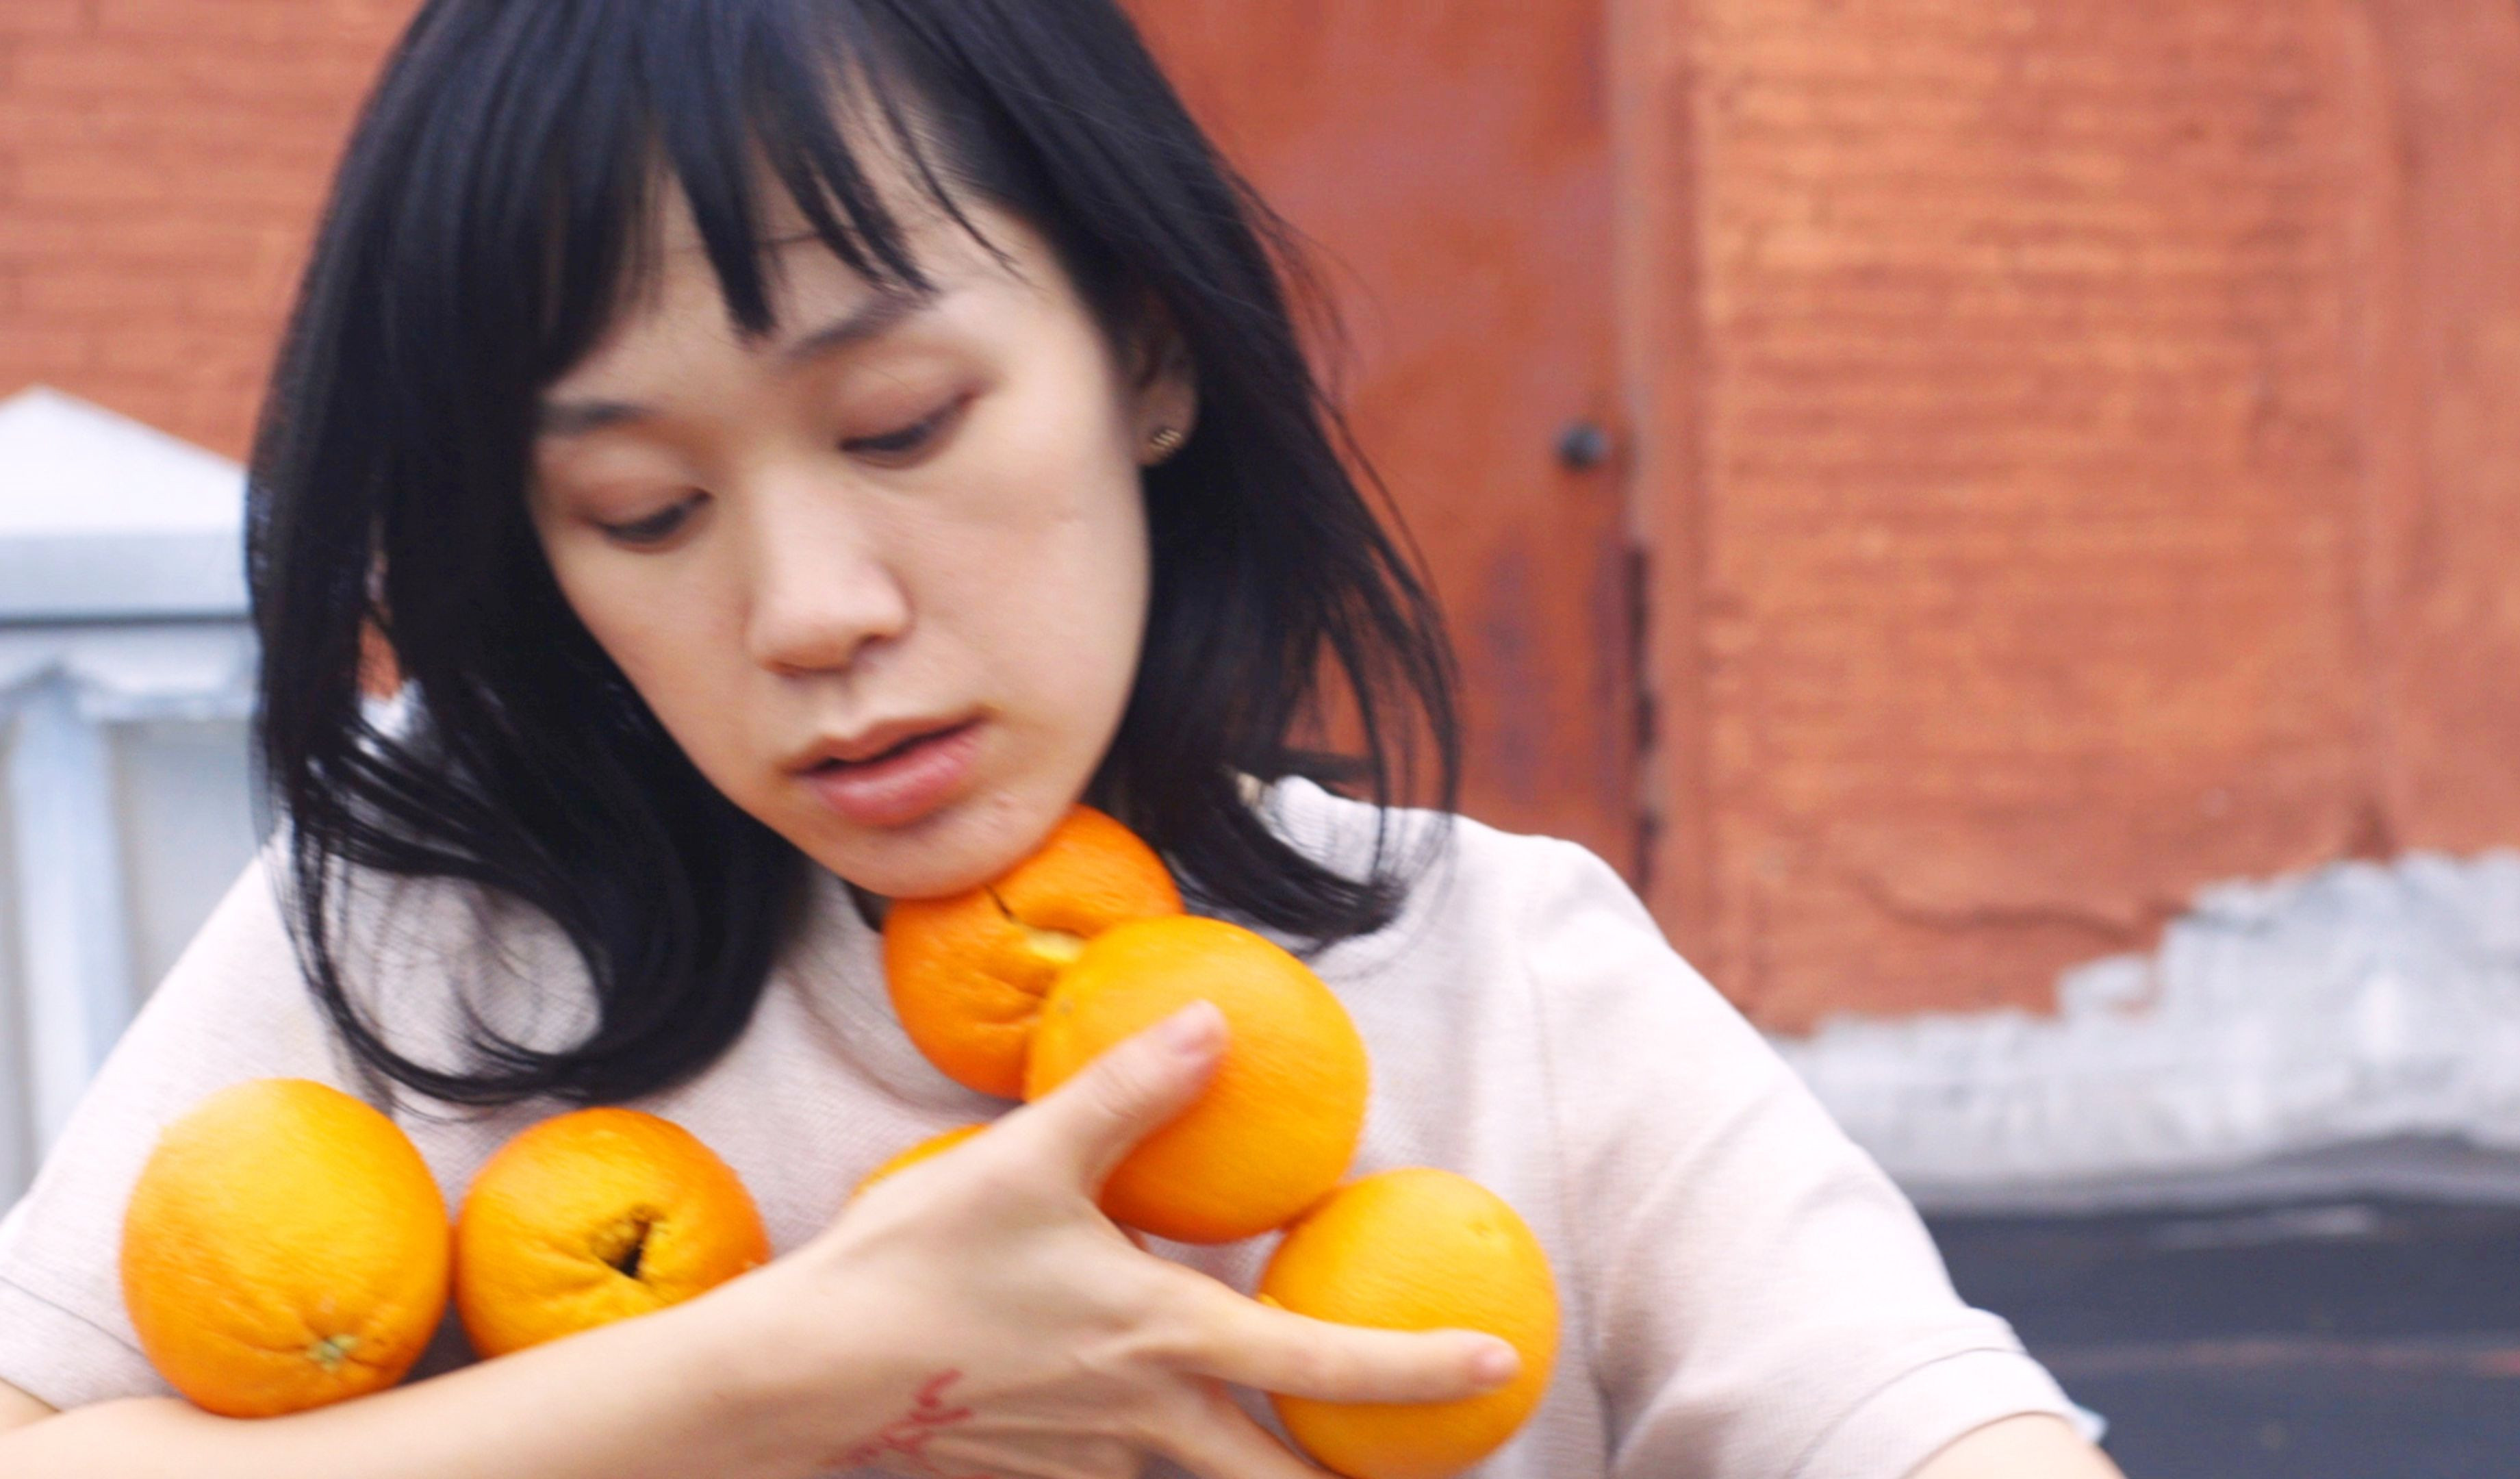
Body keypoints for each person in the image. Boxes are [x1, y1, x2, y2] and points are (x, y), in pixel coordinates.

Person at [0, 1, 2126, 1475]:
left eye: (902, 424)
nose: (811, 609)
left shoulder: (1510, 989)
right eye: (643, 511)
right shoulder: (426, 954)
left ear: (1147, 359)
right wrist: (781, 1378)